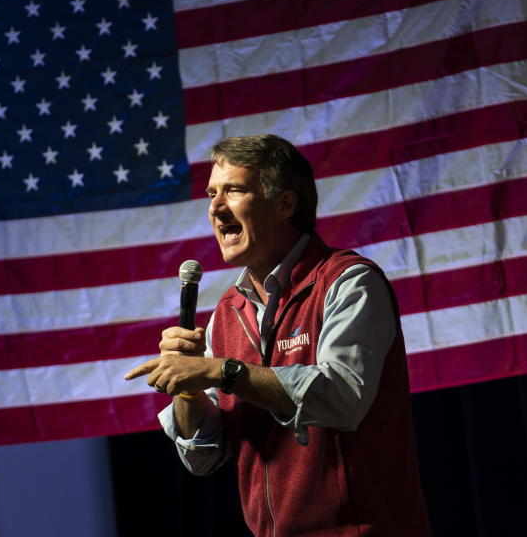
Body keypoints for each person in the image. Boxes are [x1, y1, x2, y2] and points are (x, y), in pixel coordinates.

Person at [125, 134, 431, 536]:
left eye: (233, 190)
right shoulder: (226, 314)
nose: (215, 208)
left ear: (285, 204)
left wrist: (221, 371)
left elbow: (341, 397)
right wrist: (189, 388)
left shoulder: (347, 283)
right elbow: (201, 458)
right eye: (211, 194)